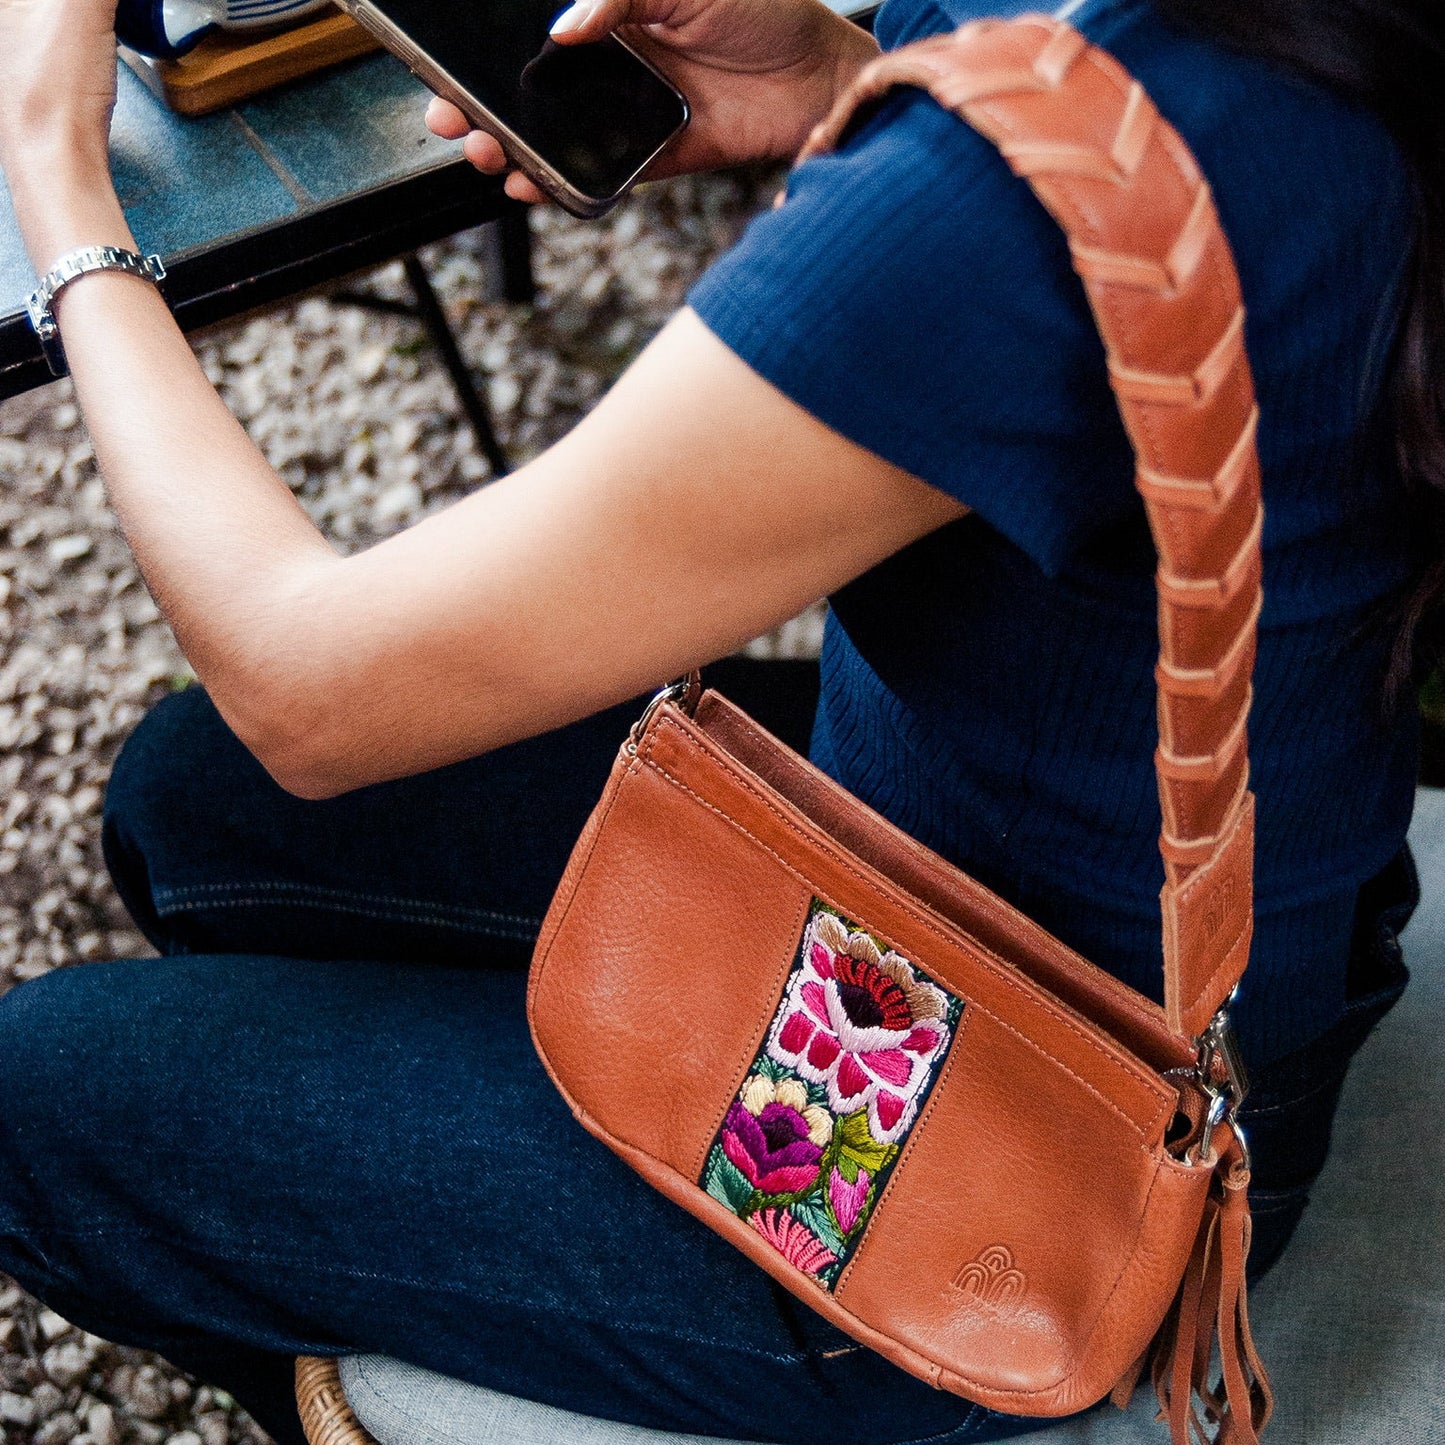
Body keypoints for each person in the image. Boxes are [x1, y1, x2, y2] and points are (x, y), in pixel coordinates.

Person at [0, 0, 1439, 1441]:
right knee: (194, 807)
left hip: (1035, 1177)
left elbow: (307, 686)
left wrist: (55, 169)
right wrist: (848, 81)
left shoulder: (991, 215)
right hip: (1072, 885)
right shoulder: (1290, 47)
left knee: (38, 1100)